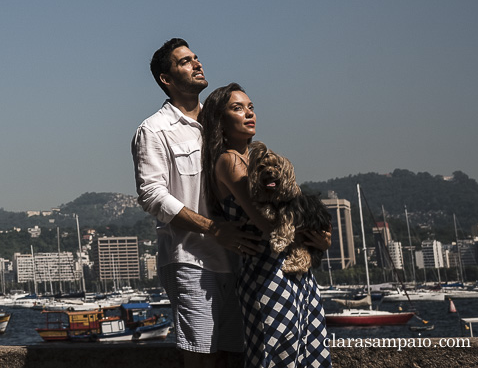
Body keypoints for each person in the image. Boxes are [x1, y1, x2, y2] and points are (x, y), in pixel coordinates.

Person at [132, 38, 260, 367]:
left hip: (238, 260)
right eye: (185, 61)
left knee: (236, 357)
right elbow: (153, 196)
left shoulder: (219, 124)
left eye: (196, 58)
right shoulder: (155, 130)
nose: (197, 64)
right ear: (167, 79)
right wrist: (215, 229)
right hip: (190, 261)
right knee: (202, 360)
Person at [200, 82, 331, 368]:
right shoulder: (230, 161)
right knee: (277, 356)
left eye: (251, 107)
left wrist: (321, 240)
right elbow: (266, 222)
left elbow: (300, 219)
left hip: (295, 271)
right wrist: (312, 235)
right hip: (266, 272)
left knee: (305, 354)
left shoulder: (260, 162)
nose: (249, 114)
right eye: (237, 108)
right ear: (220, 121)